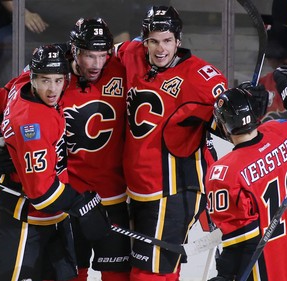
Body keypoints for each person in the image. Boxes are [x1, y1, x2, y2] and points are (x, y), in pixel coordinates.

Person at [0, 18, 131, 281]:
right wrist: (0, 142)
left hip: (94, 200)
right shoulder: (42, 93)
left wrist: (4, 139)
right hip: (63, 200)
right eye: (88, 55)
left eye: (101, 55)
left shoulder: (122, 68)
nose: (96, 64)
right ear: (74, 51)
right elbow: (0, 109)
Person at [114, 5, 228, 280]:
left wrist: (244, 104)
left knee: (149, 275)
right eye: (153, 41)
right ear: (145, 41)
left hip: (173, 191)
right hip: (137, 188)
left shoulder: (201, 76)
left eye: (167, 41)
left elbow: (233, 120)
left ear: (178, 40)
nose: (160, 49)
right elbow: (96, 53)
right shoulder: (132, 54)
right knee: (156, 271)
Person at [206, 65, 287, 281]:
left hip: (269, 272)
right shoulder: (283, 131)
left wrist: (225, 275)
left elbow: (240, 243)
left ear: (224, 126)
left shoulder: (225, 173)